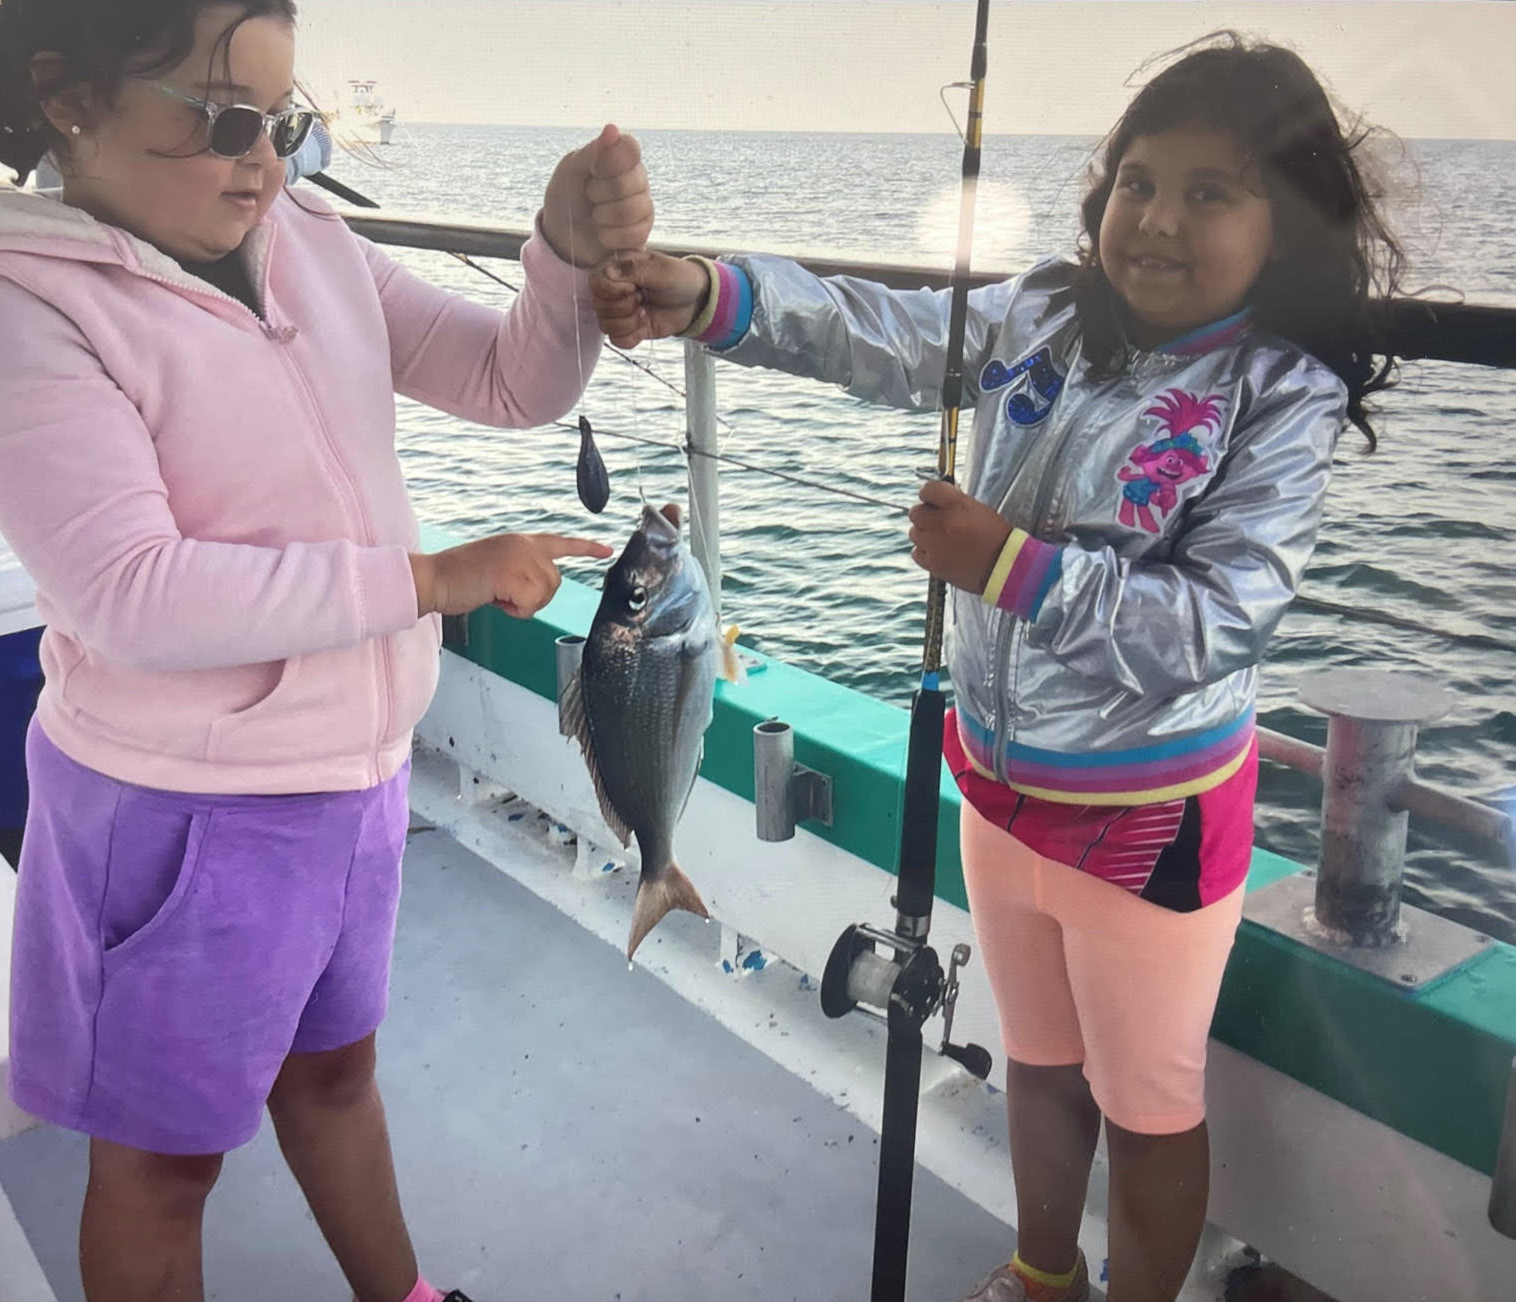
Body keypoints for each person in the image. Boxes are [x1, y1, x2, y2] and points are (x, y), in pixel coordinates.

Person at [591, 33, 1402, 1302]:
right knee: (1036, 1058)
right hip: (996, 788)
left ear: (1285, 224)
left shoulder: (1276, 391)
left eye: (1208, 193)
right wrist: (709, 294)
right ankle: (1041, 1275)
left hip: (1149, 818)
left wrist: (1011, 568)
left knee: (1146, 1103)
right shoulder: (1040, 313)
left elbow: (1216, 624)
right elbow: (878, 331)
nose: (1156, 220)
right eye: (1137, 182)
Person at [0, 2, 652, 1299]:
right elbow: (134, 594)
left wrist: (562, 258)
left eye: (284, 123)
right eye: (223, 118)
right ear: (68, 97)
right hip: (180, 813)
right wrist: (428, 581)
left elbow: (510, 382)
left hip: (353, 780)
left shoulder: (305, 241)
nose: (263, 162)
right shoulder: (8, 306)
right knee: (160, 1165)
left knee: (337, 1074)